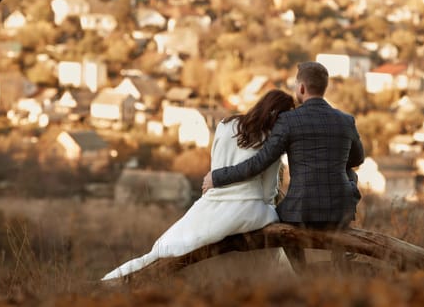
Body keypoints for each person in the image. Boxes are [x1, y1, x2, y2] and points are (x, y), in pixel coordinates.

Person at [101, 89, 295, 281]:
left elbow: (215, 167)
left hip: (211, 202)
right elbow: (269, 191)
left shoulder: (225, 125)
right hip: (249, 208)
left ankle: (115, 279)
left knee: (164, 247)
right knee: (274, 239)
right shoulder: (271, 141)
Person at [202, 61, 365, 272]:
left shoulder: (288, 121)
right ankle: (338, 260)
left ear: (302, 88)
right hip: (339, 210)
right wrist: (333, 163)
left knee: (283, 214)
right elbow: (357, 159)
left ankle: (301, 270)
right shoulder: (346, 120)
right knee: (348, 173)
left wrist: (218, 177)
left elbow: (259, 163)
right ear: (324, 88)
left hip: (300, 212)